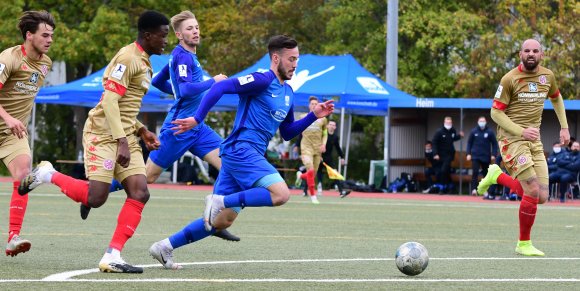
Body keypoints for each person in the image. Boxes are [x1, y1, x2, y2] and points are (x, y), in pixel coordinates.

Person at [148, 35, 334, 269]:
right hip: (241, 150)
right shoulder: (262, 80)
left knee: (221, 220)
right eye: (291, 59)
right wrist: (197, 118)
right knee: (281, 194)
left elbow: (287, 132)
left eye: (297, 59)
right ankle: (219, 199)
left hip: (247, 154)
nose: (295, 64)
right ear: (276, 58)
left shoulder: (288, 92)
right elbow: (222, 86)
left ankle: (164, 247)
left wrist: (312, 116)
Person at [19, 11, 170, 273]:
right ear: (148, 35)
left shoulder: (145, 61)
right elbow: (110, 101)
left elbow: (125, 107)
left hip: (126, 134)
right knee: (96, 197)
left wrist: (141, 130)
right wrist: (122, 140)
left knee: (140, 192)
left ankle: (112, 255)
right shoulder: (127, 57)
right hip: (102, 134)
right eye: (163, 35)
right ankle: (47, 173)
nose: (166, 41)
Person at [146, 10, 239, 242]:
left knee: (230, 163)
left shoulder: (186, 56)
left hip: (197, 127)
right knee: (146, 178)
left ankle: (215, 218)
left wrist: (178, 91)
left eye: (196, 27)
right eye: (189, 28)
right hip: (178, 128)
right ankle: (96, 191)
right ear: (178, 34)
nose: (195, 31)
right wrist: (213, 81)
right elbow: (186, 89)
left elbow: (159, 82)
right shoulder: (183, 57)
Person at [477, 39, 570, 256]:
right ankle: (523, 243)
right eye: (527, 50)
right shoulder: (509, 79)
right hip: (512, 139)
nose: (531, 54)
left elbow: (556, 99)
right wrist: (521, 131)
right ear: (520, 54)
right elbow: (495, 112)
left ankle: (496, 176)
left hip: (533, 140)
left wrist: (564, 127)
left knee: (542, 197)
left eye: (535, 51)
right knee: (531, 189)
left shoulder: (548, 77)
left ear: (542, 54)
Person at [0, 11, 54, 257]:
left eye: (52, 35)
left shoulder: (46, 63)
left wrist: (16, 121)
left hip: (13, 134)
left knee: (24, 177)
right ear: (29, 35)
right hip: (7, 122)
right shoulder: (9, 58)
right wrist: (9, 117)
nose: (50, 39)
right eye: (45, 34)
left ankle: (13, 237)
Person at [298, 96, 328, 203]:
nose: (314, 105)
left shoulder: (323, 119)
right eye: (312, 104)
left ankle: (300, 175)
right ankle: (313, 196)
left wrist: (323, 144)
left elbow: (325, 133)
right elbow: (297, 130)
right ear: (309, 105)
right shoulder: (303, 116)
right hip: (306, 147)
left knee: (312, 174)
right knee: (310, 169)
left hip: (317, 148)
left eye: (316, 104)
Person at [316, 120, 351, 197]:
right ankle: (317, 187)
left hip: (328, 158)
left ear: (335, 127)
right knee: (317, 171)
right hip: (319, 156)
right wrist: (319, 155)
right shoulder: (323, 134)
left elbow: (338, 148)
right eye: (330, 124)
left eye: (333, 125)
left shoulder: (335, 137)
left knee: (334, 173)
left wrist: (342, 157)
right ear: (327, 126)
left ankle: (341, 191)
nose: (331, 126)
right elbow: (317, 145)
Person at [466, 116, 498, 196]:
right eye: (480, 121)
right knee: (475, 172)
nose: (482, 122)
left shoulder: (490, 132)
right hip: (475, 156)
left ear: (486, 122)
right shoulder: (474, 131)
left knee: (485, 174)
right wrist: (468, 153)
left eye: (483, 121)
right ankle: (474, 189)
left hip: (485, 156)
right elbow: (469, 143)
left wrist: (493, 154)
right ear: (478, 121)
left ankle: (485, 190)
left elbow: (494, 144)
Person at [431, 116, 463, 193]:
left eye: (450, 122)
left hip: (449, 155)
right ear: (444, 123)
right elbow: (434, 143)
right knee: (445, 172)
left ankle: (442, 188)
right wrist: (435, 154)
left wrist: (459, 136)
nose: (448, 123)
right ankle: (450, 187)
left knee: (443, 170)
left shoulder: (453, 130)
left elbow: (453, 138)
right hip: (440, 155)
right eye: (447, 122)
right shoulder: (439, 132)